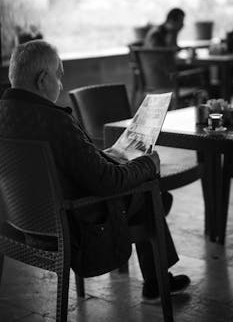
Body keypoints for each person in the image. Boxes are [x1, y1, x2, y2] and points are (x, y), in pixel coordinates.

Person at [0, 40, 190, 302]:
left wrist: (103, 156)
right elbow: (107, 182)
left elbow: (65, 165)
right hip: (76, 229)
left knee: (149, 194)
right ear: (43, 79)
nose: (61, 83)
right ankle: (158, 281)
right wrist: (148, 163)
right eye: (59, 74)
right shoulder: (55, 122)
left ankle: (158, 278)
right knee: (152, 196)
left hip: (22, 228)